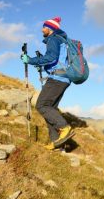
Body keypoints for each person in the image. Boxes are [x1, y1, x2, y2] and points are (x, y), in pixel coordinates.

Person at [20, 16, 75, 150]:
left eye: (44, 27)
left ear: (50, 28)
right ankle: (57, 144)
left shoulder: (53, 39)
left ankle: (64, 127)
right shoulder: (62, 40)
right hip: (64, 78)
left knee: (42, 105)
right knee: (50, 109)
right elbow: (56, 60)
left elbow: (51, 57)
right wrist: (43, 67)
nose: (42, 29)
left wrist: (30, 60)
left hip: (57, 79)